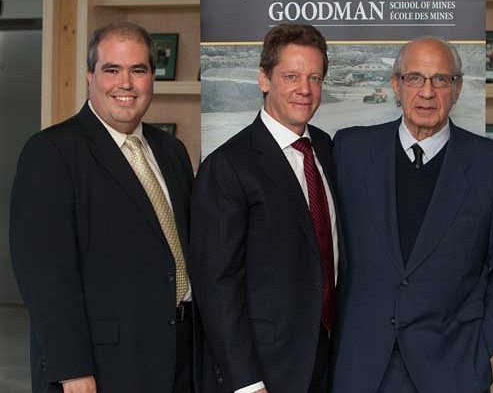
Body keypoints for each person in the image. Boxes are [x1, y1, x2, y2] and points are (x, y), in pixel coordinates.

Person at [10, 22, 195, 393]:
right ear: (89, 77)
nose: (125, 83)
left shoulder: (170, 150)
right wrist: (72, 369)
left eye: (138, 70)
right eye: (112, 69)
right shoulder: (52, 152)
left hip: (178, 353)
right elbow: (44, 274)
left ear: (151, 79)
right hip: (101, 367)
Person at [331, 36, 493, 393]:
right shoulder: (350, 150)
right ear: (396, 86)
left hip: (452, 367)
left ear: (458, 88)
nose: (427, 92)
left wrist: (477, 346)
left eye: (441, 80)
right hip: (361, 366)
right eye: (415, 78)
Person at [189, 24, 340, 393]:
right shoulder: (228, 166)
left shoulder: (325, 148)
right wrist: (246, 382)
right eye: (291, 76)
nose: (304, 89)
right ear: (263, 79)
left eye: (314, 77)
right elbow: (216, 284)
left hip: (325, 359)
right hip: (264, 370)